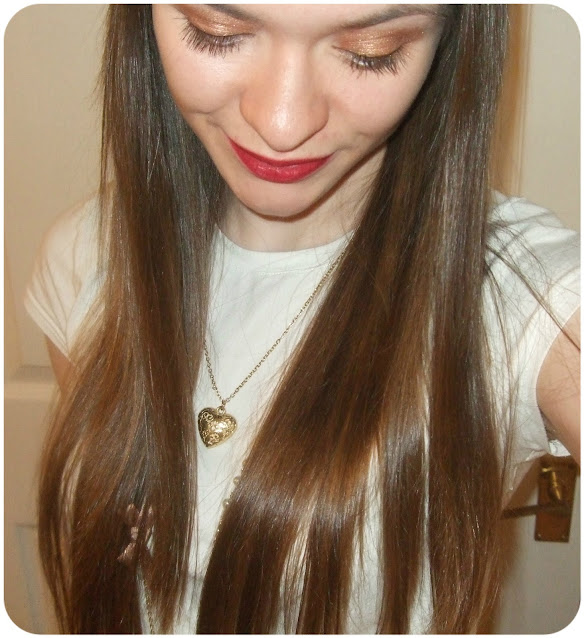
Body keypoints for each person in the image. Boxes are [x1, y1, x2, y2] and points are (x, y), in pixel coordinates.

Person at [24, 4, 580, 634]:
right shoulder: (86, 253)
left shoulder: (526, 297)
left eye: (371, 51)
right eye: (217, 33)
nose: (283, 124)